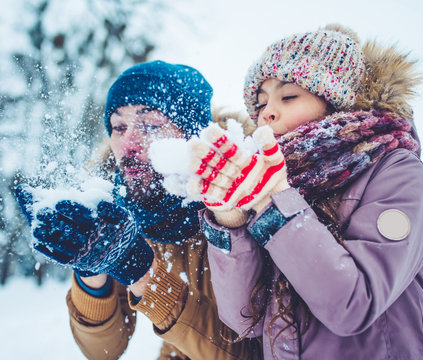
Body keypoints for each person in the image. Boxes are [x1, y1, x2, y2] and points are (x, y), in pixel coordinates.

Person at [186, 25, 423, 359]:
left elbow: (353, 305)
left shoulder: (396, 172)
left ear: (337, 102)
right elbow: (244, 320)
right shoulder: (278, 186)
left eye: (288, 96)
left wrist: (272, 203)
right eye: (260, 104)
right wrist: (231, 218)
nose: (267, 112)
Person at [15, 61, 262, 359]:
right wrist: (91, 270)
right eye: (119, 127)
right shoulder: (120, 212)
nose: (128, 143)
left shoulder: (247, 205)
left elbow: (255, 352)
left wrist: (146, 277)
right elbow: (103, 350)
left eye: (151, 125)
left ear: (190, 134)